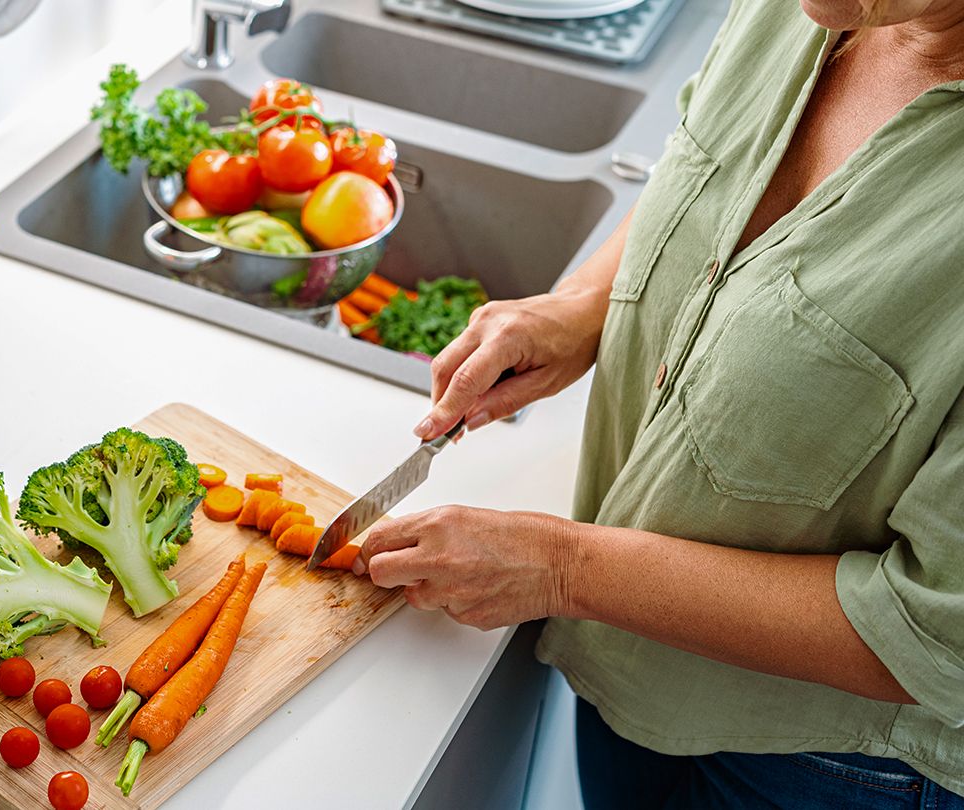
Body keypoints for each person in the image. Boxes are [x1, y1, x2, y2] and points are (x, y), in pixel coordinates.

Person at [352, 0, 964, 804]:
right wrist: (581, 309)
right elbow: (702, 156)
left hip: (823, 772)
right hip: (629, 670)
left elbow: (936, 633)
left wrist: (566, 569)